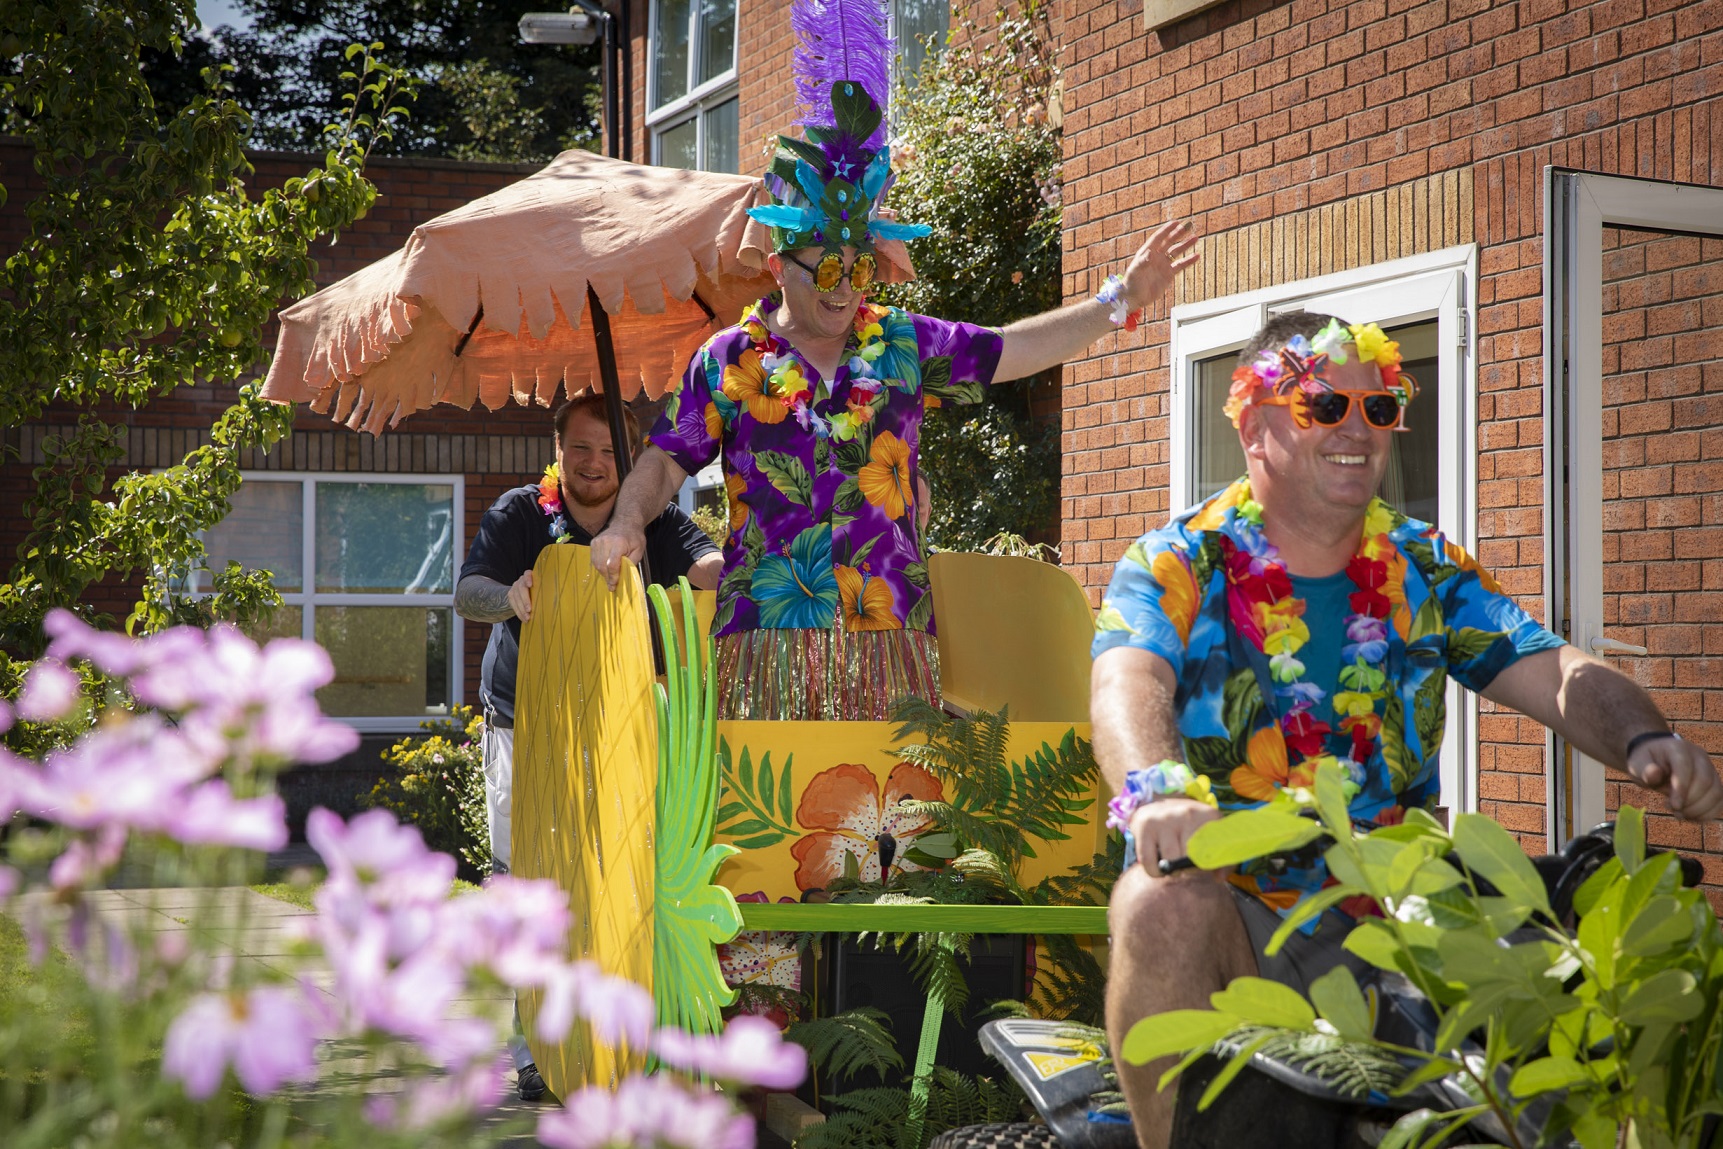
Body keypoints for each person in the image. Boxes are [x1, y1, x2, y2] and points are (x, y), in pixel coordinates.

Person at [1089, 310, 1723, 1149]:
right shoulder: (1179, 562)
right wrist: (1156, 792)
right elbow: (1127, 678)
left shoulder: (1422, 566)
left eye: (1378, 408)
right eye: (1325, 405)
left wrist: (1646, 739)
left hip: (1402, 915)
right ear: (1252, 422)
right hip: (1239, 921)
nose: (1359, 429)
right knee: (1156, 901)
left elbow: (1552, 668)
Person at [588, 0, 1197, 720]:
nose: (846, 287)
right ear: (780, 265)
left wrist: (1116, 302)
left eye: (859, 267)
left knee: (892, 826)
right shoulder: (728, 359)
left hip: (892, 638)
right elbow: (664, 461)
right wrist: (626, 523)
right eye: (825, 269)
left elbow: (1013, 349)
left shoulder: (900, 343)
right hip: (762, 643)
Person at [453, 391, 721, 1099]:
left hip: (621, 730)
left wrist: (731, 563)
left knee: (619, 875)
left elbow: (707, 563)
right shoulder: (521, 513)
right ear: (558, 450)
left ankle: (616, 1033)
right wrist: (507, 594)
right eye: (581, 449)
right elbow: (467, 592)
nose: (595, 464)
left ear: (628, 459)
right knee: (525, 879)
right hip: (525, 724)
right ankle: (532, 1047)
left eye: (609, 451)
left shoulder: (655, 520)